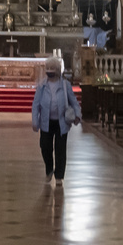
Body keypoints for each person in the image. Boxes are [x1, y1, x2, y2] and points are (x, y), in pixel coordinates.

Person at [30, 54, 81, 186]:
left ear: (57, 70)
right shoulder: (42, 86)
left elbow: (73, 101)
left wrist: (77, 114)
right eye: (48, 68)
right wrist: (35, 121)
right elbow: (35, 104)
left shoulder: (65, 85)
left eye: (53, 68)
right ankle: (49, 169)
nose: (50, 70)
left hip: (61, 122)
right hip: (46, 122)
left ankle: (59, 175)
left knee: (60, 149)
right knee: (45, 147)